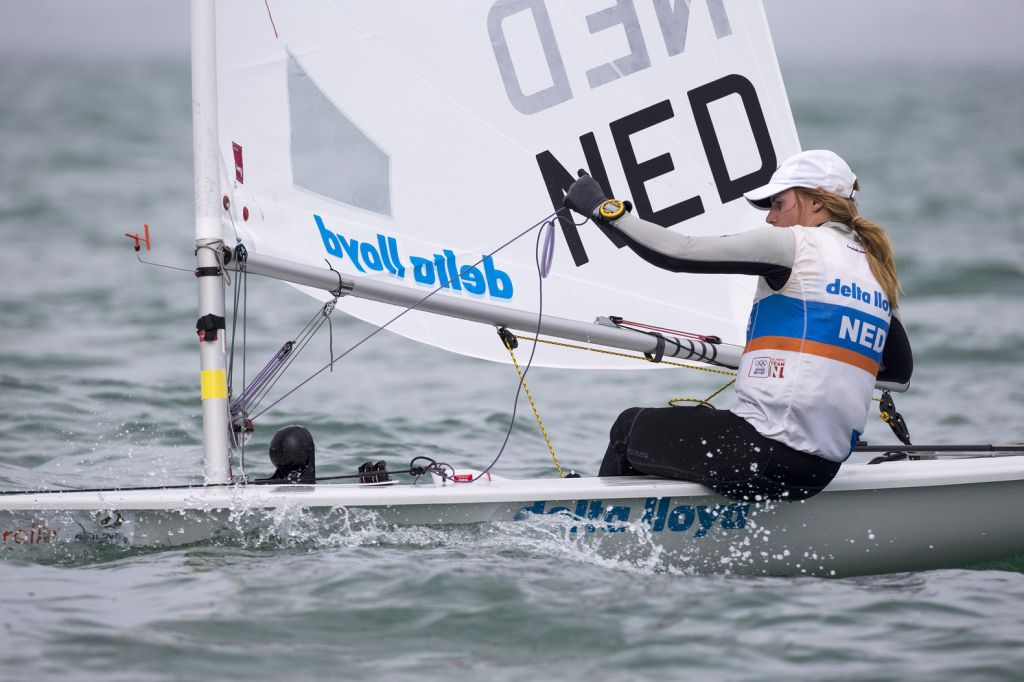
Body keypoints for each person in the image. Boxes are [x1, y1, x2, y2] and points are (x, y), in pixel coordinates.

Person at [564, 150, 912, 501]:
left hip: (760, 453)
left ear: (815, 203)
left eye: (779, 204)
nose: (772, 219)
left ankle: (597, 529)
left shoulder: (794, 245)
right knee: (698, 431)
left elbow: (679, 253)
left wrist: (601, 208)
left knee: (629, 428)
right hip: (817, 472)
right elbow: (898, 373)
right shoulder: (876, 268)